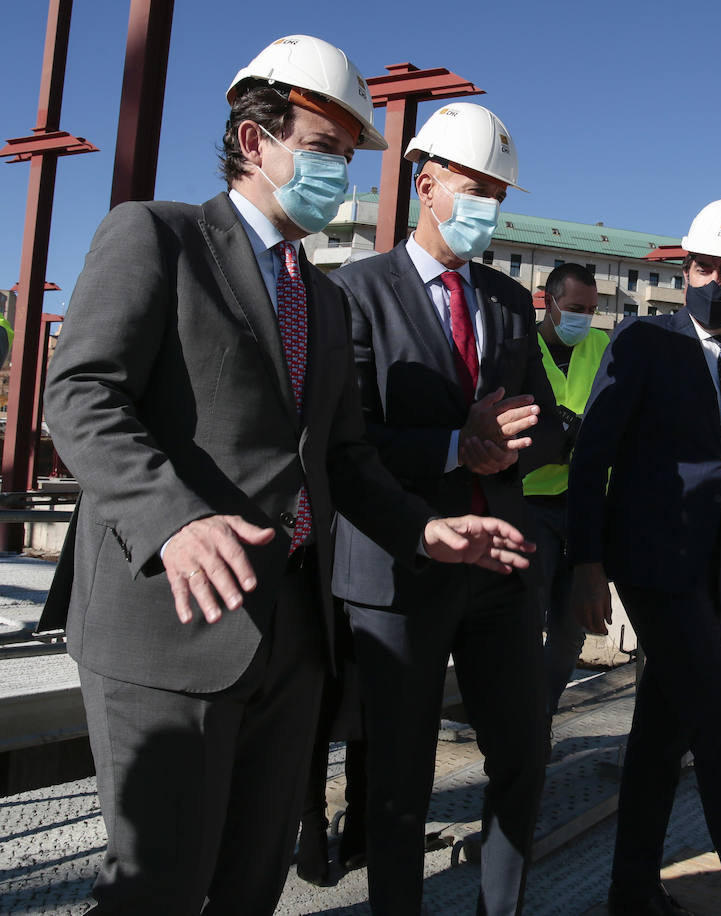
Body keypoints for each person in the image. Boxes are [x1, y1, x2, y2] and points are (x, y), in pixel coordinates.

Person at [36, 36, 532, 916]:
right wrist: (174, 517)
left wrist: (424, 529)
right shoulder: (159, 237)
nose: (338, 171)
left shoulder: (325, 298)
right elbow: (77, 395)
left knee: (248, 884)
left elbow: (342, 458)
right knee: (159, 886)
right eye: (323, 148)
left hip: (294, 634)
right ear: (254, 139)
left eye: (347, 154)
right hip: (168, 623)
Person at [328, 102, 558, 915]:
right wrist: (461, 446)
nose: (489, 207)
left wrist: (518, 442)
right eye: (476, 188)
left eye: (500, 192)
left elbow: (537, 415)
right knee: (397, 781)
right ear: (426, 186)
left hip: (497, 569)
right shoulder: (354, 293)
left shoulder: (505, 299)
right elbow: (347, 438)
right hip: (401, 569)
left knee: (525, 758)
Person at [568, 199, 721, 916]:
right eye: (703, 266)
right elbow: (591, 456)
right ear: (684, 267)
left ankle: (630, 892)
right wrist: (587, 561)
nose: (714, 281)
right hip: (653, 567)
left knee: (661, 737)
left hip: (717, 579)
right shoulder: (642, 343)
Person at [523, 263, 609, 718]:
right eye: (576, 308)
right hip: (529, 502)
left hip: (584, 504)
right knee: (523, 618)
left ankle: (540, 714)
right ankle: (520, 722)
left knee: (571, 629)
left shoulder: (603, 347)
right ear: (548, 301)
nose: (585, 318)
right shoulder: (518, 343)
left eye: (592, 310)